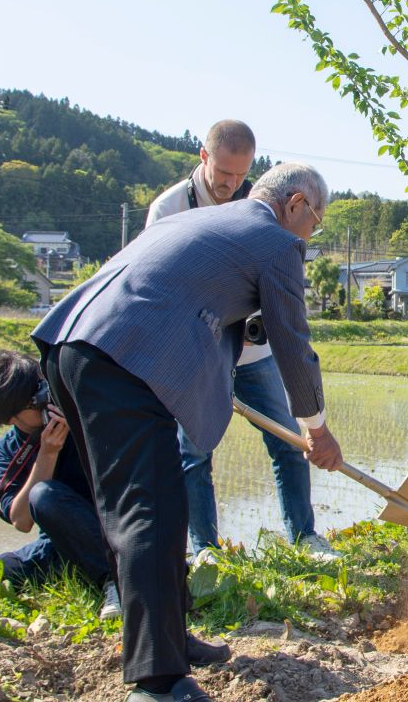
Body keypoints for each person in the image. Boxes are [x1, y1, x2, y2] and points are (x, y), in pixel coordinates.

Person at [32, 162, 343, 702]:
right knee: (147, 511)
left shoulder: (206, 223)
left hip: (74, 347)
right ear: (295, 203)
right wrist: (316, 428)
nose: (310, 234)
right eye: (314, 222)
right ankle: (158, 682)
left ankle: (170, 639)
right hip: (123, 360)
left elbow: (186, 295)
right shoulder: (274, 242)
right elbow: (294, 346)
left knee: (148, 506)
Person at [145, 120, 334, 561]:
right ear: (203, 157)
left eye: (240, 174)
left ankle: (304, 535)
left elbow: (288, 324)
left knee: (289, 439)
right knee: (193, 450)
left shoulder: (261, 205)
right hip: (199, 355)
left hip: (255, 351)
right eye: (223, 173)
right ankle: (205, 549)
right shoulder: (169, 209)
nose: (231, 184)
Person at [0, 350, 117, 617]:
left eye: (44, 390)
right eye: (35, 403)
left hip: (113, 534)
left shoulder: (81, 416)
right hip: (60, 547)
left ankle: (118, 580)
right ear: (10, 418)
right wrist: (48, 453)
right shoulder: (8, 450)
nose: (46, 402)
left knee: (44, 495)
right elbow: (21, 520)